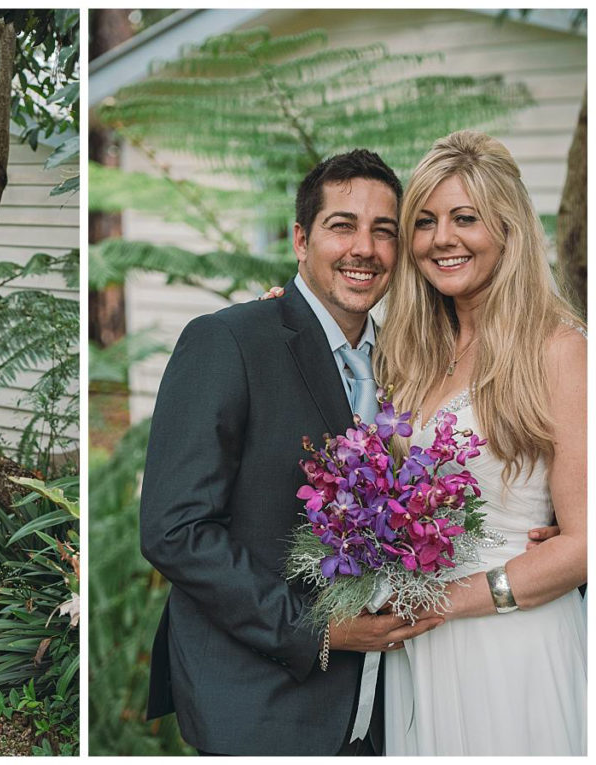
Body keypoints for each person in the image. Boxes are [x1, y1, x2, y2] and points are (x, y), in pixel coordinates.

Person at [139, 150, 446, 756]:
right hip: (260, 698)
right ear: (302, 239)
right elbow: (174, 529)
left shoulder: (408, 363)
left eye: (384, 231)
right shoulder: (228, 341)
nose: (365, 248)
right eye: (342, 226)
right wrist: (318, 630)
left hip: (391, 703)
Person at [375, 130, 586, 755]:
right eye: (426, 221)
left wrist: (447, 600)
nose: (442, 238)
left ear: (507, 229)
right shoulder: (409, 354)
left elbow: (585, 543)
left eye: (465, 218)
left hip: (512, 638)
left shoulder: (560, 350)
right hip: (419, 648)